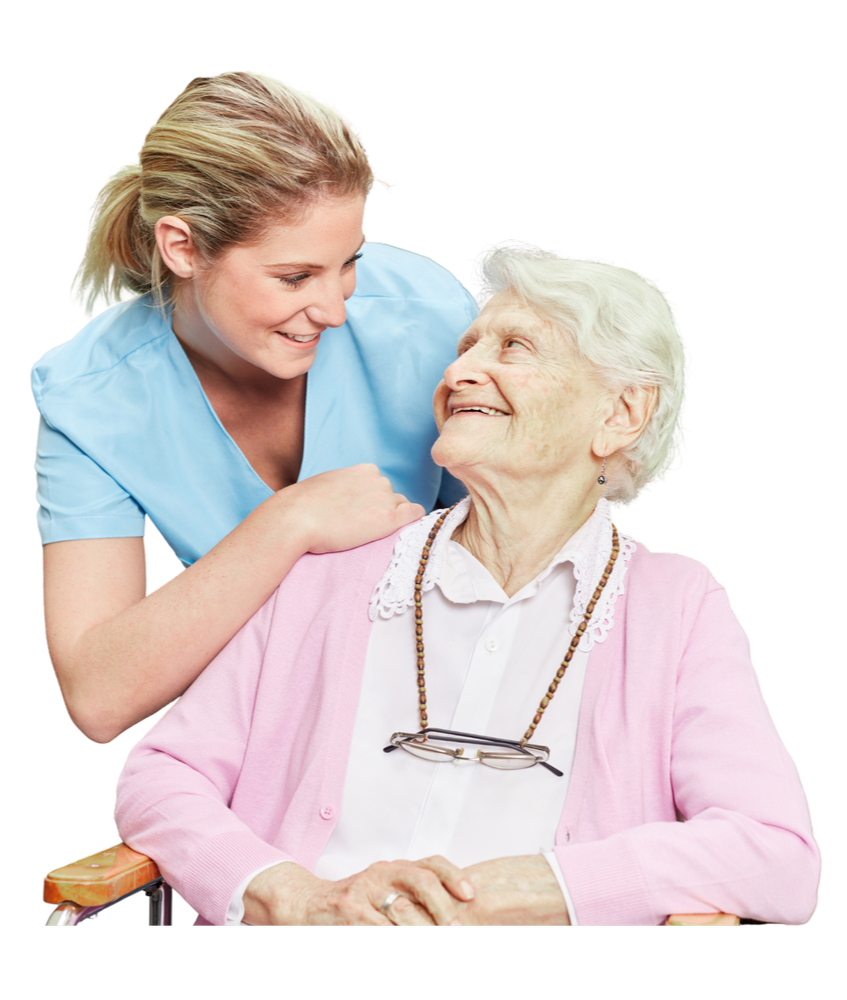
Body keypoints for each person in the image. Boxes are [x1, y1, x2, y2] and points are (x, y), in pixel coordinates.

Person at [113, 241, 821, 926]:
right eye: (465, 348)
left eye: (512, 348)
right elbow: (161, 777)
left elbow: (775, 855)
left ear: (618, 414)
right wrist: (286, 894)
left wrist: (544, 887)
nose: (460, 373)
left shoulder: (675, 607)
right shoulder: (330, 573)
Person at [32, 70, 477, 746]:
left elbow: (520, 544)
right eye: (293, 277)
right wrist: (289, 522)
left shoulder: (427, 314)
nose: (334, 310)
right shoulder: (87, 395)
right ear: (182, 247)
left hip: (451, 706)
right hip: (271, 730)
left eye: (349, 262)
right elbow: (99, 695)